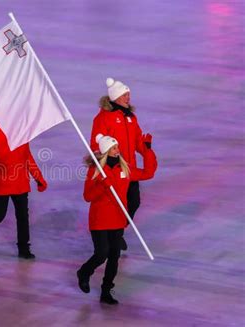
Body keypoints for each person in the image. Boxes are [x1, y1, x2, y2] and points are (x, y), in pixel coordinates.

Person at [77, 133, 157, 304]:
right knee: (101, 254)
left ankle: (106, 291)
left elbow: (148, 173)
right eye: (114, 148)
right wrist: (102, 186)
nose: (117, 150)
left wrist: (147, 151)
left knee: (114, 256)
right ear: (106, 151)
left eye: (117, 147)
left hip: (118, 219)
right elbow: (87, 196)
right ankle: (84, 272)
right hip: (99, 220)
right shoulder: (96, 170)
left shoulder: (125, 169)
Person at [90, 77, 149, 250]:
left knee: (134, 202)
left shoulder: (131, 117)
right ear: (115, 98)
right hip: (114, 169)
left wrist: (147, 151)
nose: (128, 97)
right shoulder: (103, 118)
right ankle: (114, 235)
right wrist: (105, 164)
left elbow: (138, 140)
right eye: (125, 94)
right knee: (116, 204)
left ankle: (118, 232)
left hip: (129, 169)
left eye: (128, 94)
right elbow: (96, 144)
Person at [0, 143, 47, 259]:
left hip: (20, 182)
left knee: (22, 216)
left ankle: (23, 248)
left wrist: (39, 178)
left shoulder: (23, 136)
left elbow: (27, 157)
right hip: (1, 181)